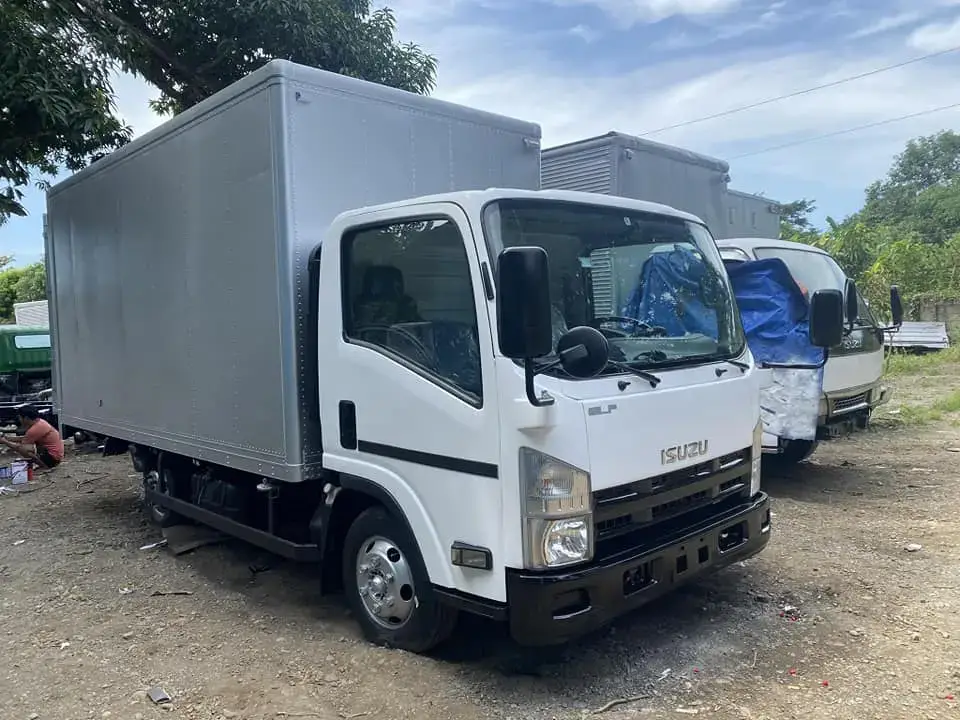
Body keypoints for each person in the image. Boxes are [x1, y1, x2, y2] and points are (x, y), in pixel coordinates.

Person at [0, 405, 64, 470]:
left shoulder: (35, 429)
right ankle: (44, 464)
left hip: (53, 459)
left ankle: (45, 466)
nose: (19, 419)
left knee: (24, 449)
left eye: (20, 417)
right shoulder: (39, 422)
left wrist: (5, 442)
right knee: (27, 447)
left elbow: (20, 446)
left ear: (26, 418)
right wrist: (6, 438)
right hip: (54, 455)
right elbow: (25, 438)